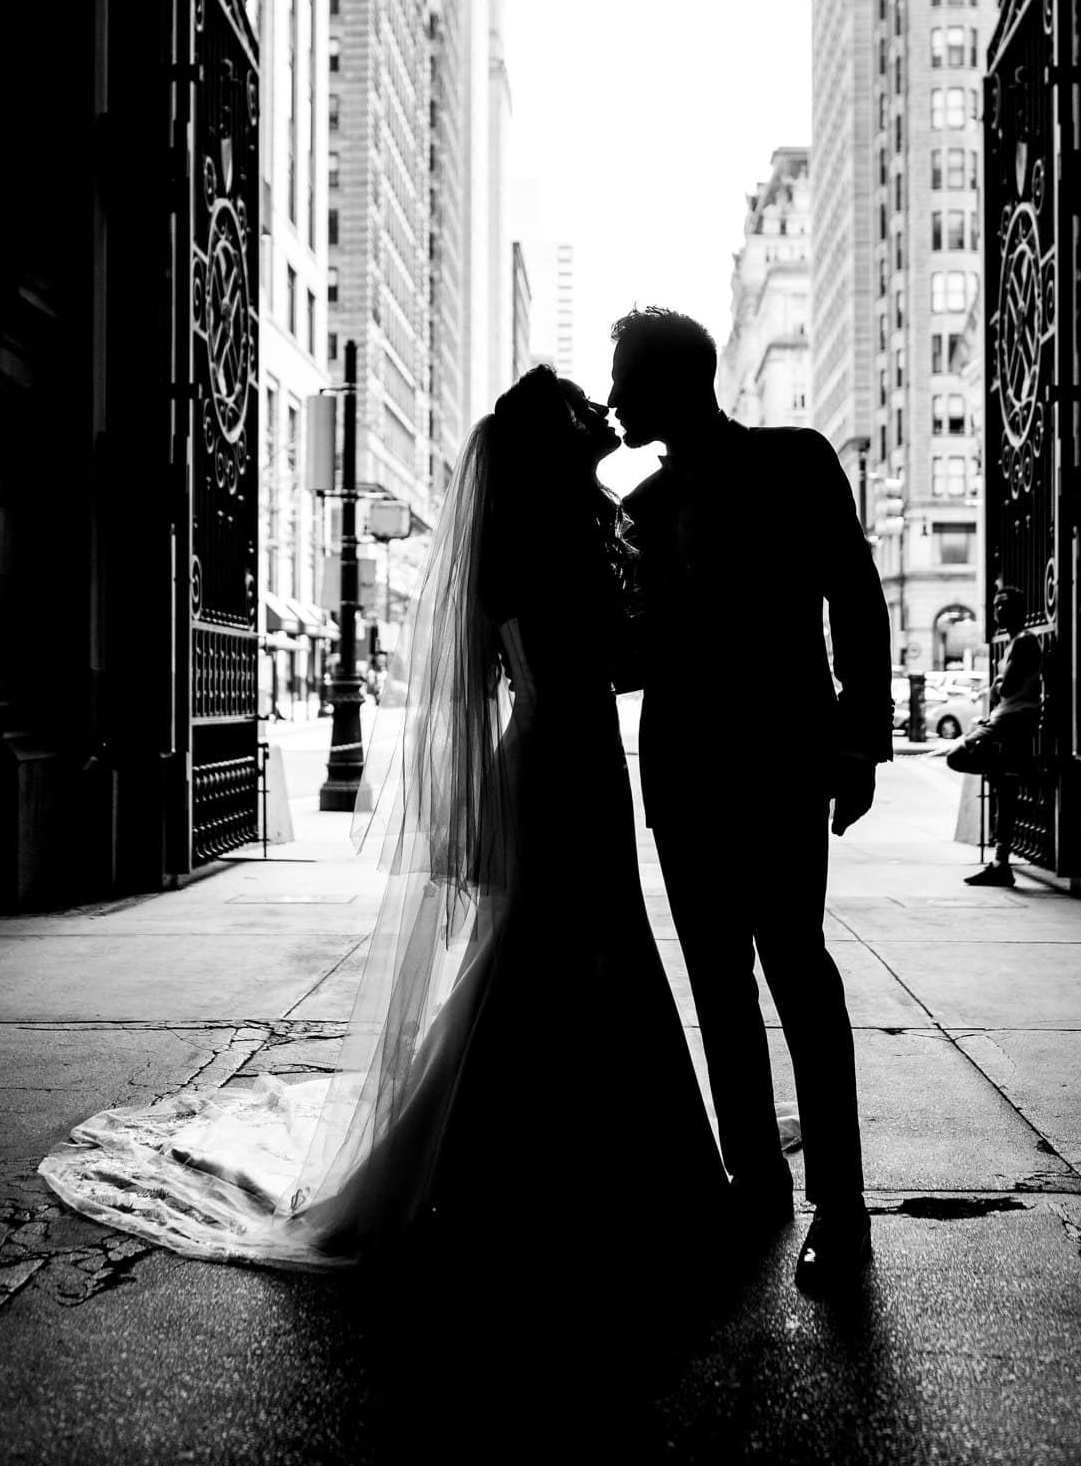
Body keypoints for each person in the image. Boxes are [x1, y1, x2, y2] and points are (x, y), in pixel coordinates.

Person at [39, 366, 727, 1268]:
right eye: (577, 410)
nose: (597, 411)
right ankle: (560, 1159)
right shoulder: (555, 540)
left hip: (559, 754)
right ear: (550, 446)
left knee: (559, 945)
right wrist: (681, 610)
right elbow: (600, 663)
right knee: (571, 945)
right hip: (566, 761)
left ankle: (529, 1154)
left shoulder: (534, 534)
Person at [608, 306, 893, 1292]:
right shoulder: (637, 506)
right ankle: (755, 1179)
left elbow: (855, 592)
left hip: (780, 760)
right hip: (681, 772)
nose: (613, 398)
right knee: (716, 983)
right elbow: (628, 659)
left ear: (673, 381)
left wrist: (858, 736)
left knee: (797, 969)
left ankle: (842, 1208)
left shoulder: (794, 459)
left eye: (626, 380)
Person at [956, 582, 1043, 888]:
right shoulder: (1012, 643)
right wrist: (998, 684)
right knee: (1004, 791)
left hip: (1012, 722)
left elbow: (1005, 689)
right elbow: (1002, 687)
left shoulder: (1024, 641)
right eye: (996, 605)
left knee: (959, 755)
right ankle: (1000, 862)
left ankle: (1011, 769)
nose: (1000, 610)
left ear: (1020, 609)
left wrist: (997, 684)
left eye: (1005, 604)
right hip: (1005, 721)